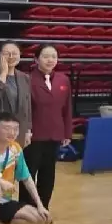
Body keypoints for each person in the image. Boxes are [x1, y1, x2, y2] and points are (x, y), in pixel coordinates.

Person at [0, 112, 52, 224]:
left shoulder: (15, 148)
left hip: (4, 200)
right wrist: (0, 181)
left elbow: (27, 178)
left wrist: (40, 205)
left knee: (40, 219)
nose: (12, 133)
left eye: (16, 129)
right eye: (7, 128)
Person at [25, 45, 71, 208]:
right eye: (45, 56)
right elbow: (25, 109)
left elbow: (67, 108)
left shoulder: (63, 79)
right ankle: (26, 207)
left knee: (48, 173)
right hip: (33, 135)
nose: (50, 60)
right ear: (36, 59)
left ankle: (43, 206)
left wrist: (67, 132)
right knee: (29, 172)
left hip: (55, 134)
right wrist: (25, 130)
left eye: (53, 56)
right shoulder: (27, 79)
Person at [0, 41, 32, 144]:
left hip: (17, 133)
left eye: (15, 53)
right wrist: (3, 73)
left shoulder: (24, 77)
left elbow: (27, 106)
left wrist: (28, 130)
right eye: (7, 53)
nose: (11, 57)